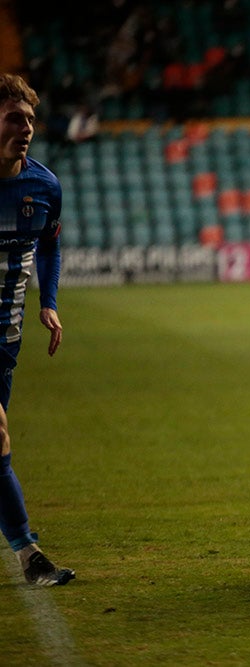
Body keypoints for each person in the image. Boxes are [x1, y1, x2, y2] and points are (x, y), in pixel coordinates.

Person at [0, 73, 73, 585]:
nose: (25, 128)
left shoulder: (44, 185)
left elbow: (48, 243)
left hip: (5, 333)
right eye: (13, 118)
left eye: (29, 120)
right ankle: (30, 555)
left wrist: (48, 302)